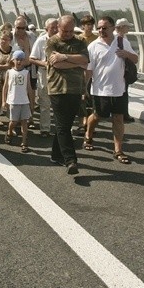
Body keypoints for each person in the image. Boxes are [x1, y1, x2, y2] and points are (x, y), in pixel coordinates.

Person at [82, 16, 138, 164]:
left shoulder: (122, 42)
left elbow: (135, 59)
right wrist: (84, 88)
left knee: (118, 118)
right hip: (100, 89)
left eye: (104, 27)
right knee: (97, 115)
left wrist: (126, 54)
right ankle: (88, 133)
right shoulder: (93, 46)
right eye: (99, 28)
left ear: (113, 28)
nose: (101, 30)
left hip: (119, 89)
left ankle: (118, 150)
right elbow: (89, 70)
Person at [46, 15, 89, 175]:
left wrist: (65, 57)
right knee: (63, 126)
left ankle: (55, 155)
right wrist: (75, 62)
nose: (68, 34)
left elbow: (85, 60)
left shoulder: (80, 41)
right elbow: (55, 63)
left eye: (71, 31)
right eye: (65, 31)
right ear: (58, 27)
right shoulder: (52, 42)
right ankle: (70, 160)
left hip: (75, 89)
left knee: (64, 124)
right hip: (57, 89)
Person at [30, 18, 59, 137]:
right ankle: (45, 129)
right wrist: (45, 64)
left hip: (60, 74)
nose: (55, 29)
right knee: (45, 103)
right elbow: (32, 58)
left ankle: (60, 130)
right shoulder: (41, 41)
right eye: (52, 27)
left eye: (57, 26)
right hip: (45, 74)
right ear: (46, 29)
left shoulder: (62, 40)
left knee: (59, 103)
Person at [2, 50, 32, 152]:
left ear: (24, 61)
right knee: (13, 121)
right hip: (13, 100)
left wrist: (31, 102)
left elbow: (29, 88)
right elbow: (5, 87)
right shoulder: (9, 72)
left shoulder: (26, 72)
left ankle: (24, 142)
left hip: (24, 101)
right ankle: (9, 131)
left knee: (24, 121)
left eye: (21, 60)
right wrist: (4, 100)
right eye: (17, 59)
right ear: (13, 60)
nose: (19, 62)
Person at [114, 18, 136, 123]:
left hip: (116, 70)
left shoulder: (118, 38)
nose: (128, 28)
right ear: (122, 27)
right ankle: (123, 114)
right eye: (127, 26)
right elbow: (134, 57)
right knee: (123, 92)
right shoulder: (122, 40)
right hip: (121, 70)